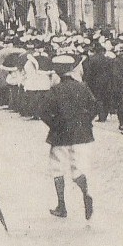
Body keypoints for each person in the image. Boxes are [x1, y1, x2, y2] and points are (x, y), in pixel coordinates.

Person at [40, 54, 97, 219]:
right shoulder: (83, 87)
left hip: (60, 137)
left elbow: (43, 112)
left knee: (57, 169)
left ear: (57, 72)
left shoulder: (55, 90)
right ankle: (85, 193)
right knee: (78, 169)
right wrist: (85, 122)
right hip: (82, 135)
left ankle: (62, 205)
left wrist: (55, 125)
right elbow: (94, 107)